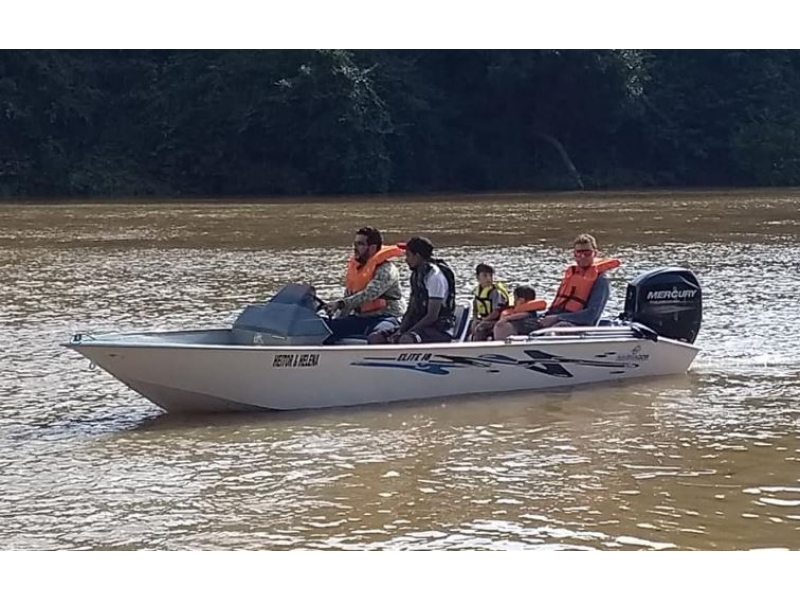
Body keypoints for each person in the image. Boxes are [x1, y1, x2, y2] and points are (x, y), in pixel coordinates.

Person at [323, 227, 406, 344]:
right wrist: (337, 315)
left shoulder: (387, 270)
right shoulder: (356, 270)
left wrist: (340, 304)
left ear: (372, 248)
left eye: (360, 244)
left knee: (377, 336)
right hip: (361, 318)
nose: (355, 248)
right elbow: (349, 297)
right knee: (324, 327)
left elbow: (370, 294)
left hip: (386, 317)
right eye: (355, 243)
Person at [372, 236, 457, 345]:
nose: (406, 259)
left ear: (418, 256)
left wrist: (408, 332)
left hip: (440, 329)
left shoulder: (435, 277)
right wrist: (400, 331)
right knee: (376, 338)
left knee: (406, 339)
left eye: (408, 255)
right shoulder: (417, 275)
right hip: (419, 326)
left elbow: (432, 316)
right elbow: (411, 309)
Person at [538, 233, 620, 329]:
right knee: (519, 322)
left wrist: (558, 317)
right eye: (578, 253)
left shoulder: (601, 280)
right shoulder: (571, 275)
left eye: (587, 253)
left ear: (595, 254)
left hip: (580, 326)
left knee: (558, 329)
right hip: (556, 318)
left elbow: (591, 315)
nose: (582, 257)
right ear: (574, 254)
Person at [470, 263, 510, 341]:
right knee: (470, 324)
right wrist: (475, 319)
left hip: (497, 321)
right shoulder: (477, 290)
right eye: (485, 276)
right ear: (478, 277)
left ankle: (478, 347)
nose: (488, 278)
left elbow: (496, 313)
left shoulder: (495, 292)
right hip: (484, 318)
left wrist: (483, 321)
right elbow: (475, 307)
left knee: (481, 327)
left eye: (490, 276)